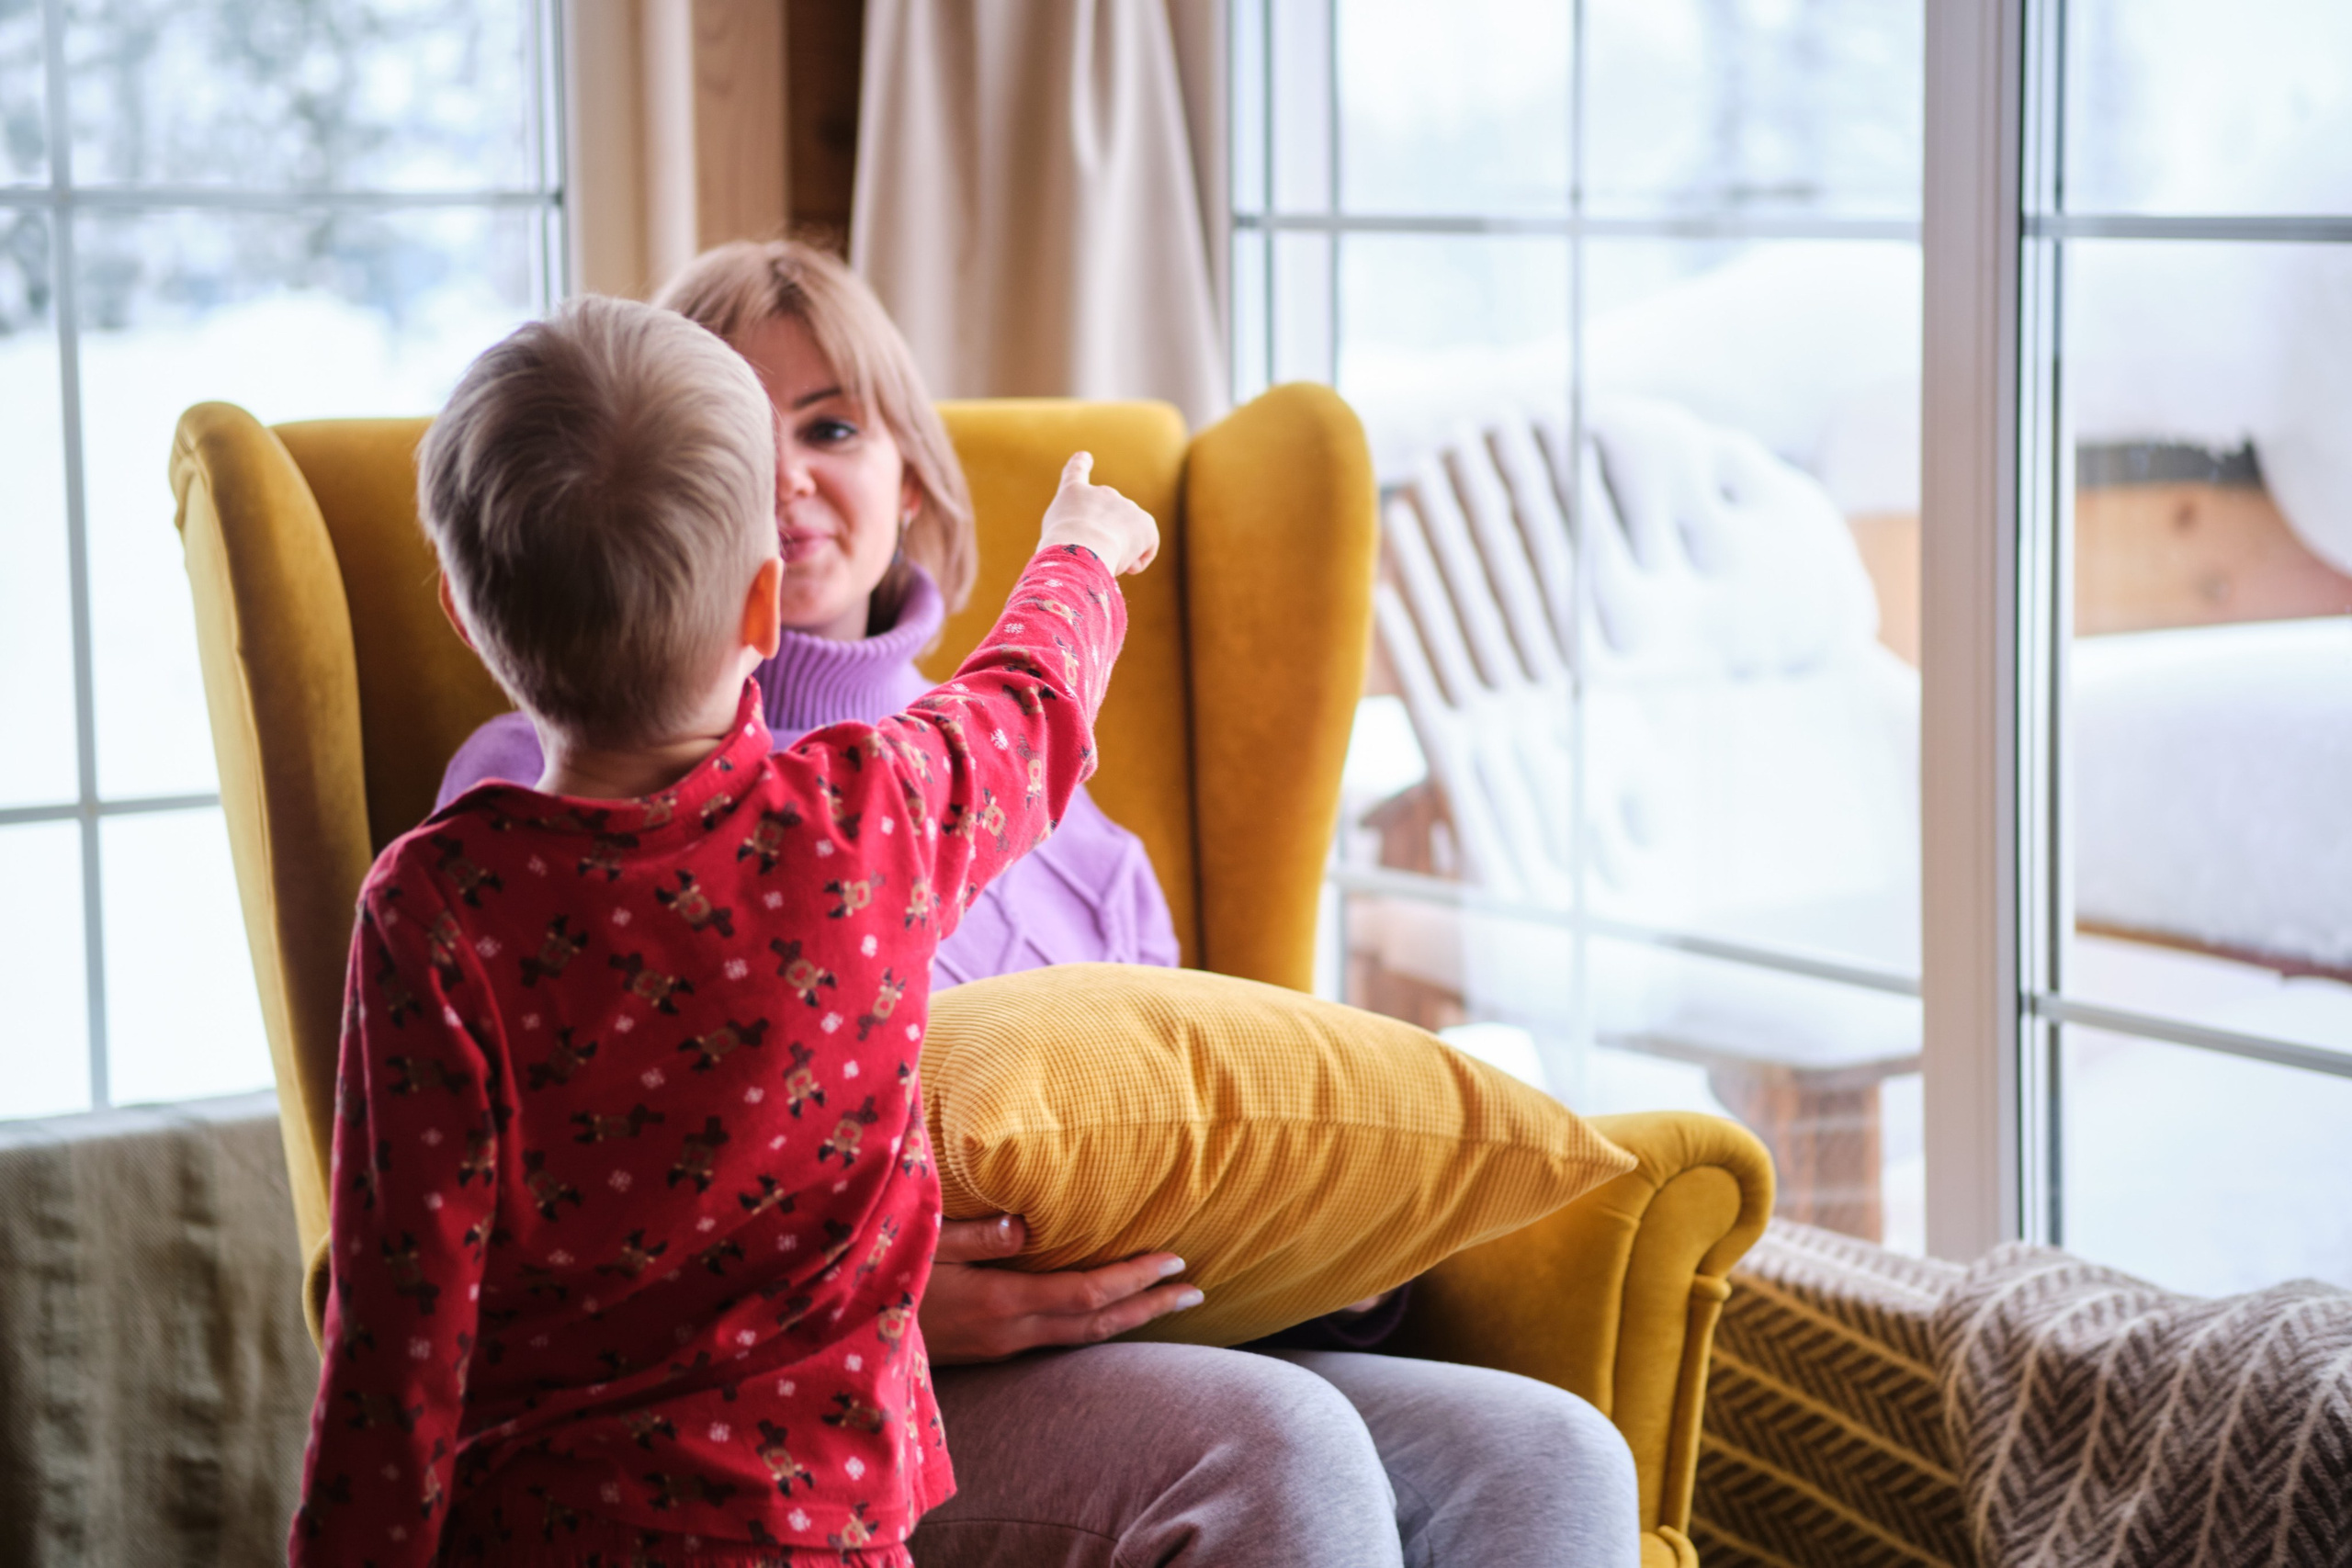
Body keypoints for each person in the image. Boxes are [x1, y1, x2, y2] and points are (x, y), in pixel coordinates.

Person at [438, 242, 1642, 1567]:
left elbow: (1186, 1150)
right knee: (1272, 1447)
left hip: (1146, 1357)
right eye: (732, 423)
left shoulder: (1078, 837)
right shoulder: (535, 800)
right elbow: (531, 1230)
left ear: (913, 480)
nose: (785, 473)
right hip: (806, 1412)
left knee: (1547, 1452)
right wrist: (882, 1305)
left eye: (833, 423)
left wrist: (1323, 1254)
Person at [291, 292, 1159, 1566]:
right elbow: (1029, 702)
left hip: (533, 1530)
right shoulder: (872, 817)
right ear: (764, 611)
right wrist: (1077, 548)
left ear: (465, 615)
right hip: (820, 1528)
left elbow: (396, 1333)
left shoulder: (432, 910)